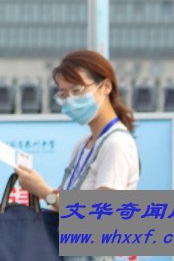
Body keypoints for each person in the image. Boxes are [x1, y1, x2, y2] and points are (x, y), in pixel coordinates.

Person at [16, 50, 140, 261]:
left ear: (106, 86)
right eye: (64, 94)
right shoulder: (83, 145)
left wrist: (44, 192)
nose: (71, 100)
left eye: (77, 90)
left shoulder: (116, 144)